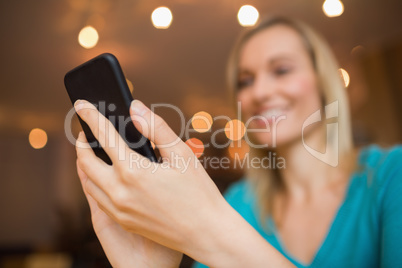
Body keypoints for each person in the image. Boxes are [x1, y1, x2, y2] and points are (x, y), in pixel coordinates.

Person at [73, 16, 402, 267]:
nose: (259, 92)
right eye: (246, 80)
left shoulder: (391, 175)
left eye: (282, 70)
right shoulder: (236, 204)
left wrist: (207, 228)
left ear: (324, 82)